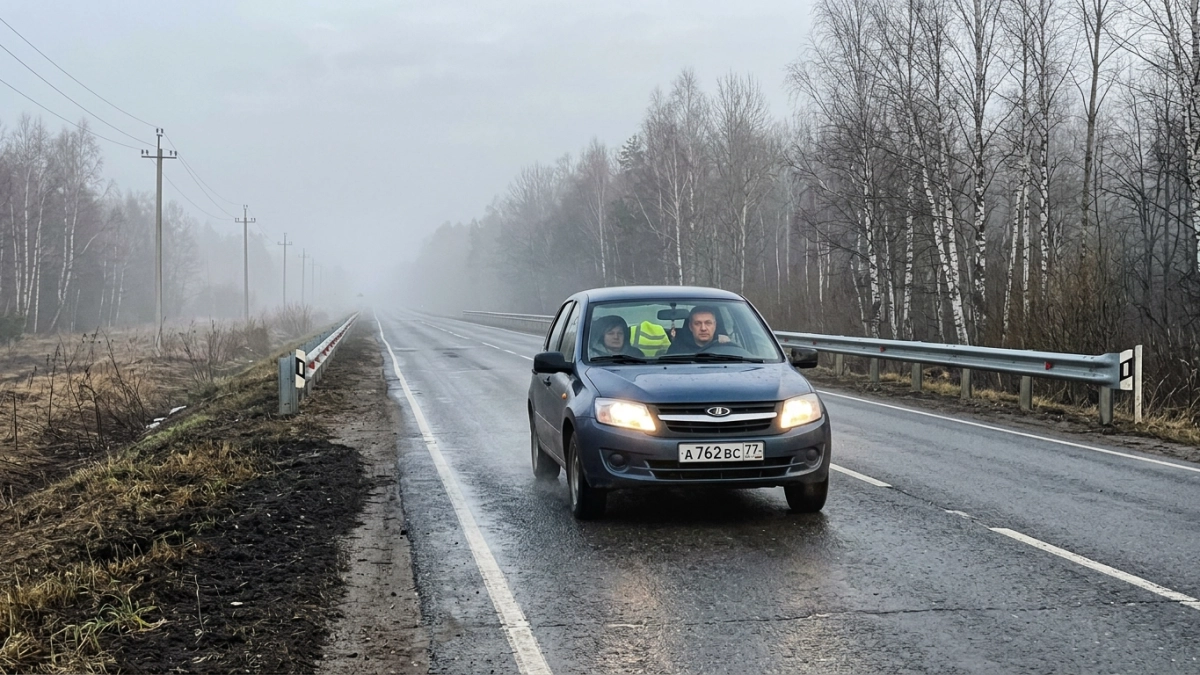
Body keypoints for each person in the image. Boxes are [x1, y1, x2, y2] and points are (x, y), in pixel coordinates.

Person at [665, 306, 731, 355]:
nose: (703, 328)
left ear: (715, 325)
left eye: (708, 323)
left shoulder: (728, 349)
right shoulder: (676, 351)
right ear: (690, 327)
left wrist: (727, 344)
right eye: (697, 323)